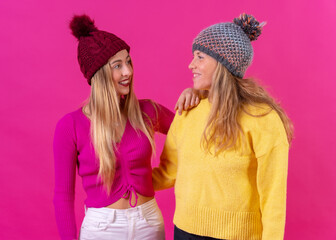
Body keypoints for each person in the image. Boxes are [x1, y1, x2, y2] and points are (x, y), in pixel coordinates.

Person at [53, 15, 199, 240]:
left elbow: (192, 131)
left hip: (148, 223)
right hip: (101, 229)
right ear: (98, 75)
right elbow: (63, 196)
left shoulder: (148, 111)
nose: (128, 72)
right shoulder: (70, 126)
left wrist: (196, 94)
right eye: (117, 66)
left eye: (128, 62)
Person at [152, 13, 294, 240]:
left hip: (237, 235)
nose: (191, 64)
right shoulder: (188, 110)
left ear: (222, 63)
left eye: (200, 56)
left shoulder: (263, 119)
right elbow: (169, 172)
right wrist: (123, 182)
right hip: (184, 231)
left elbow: (273, 194)